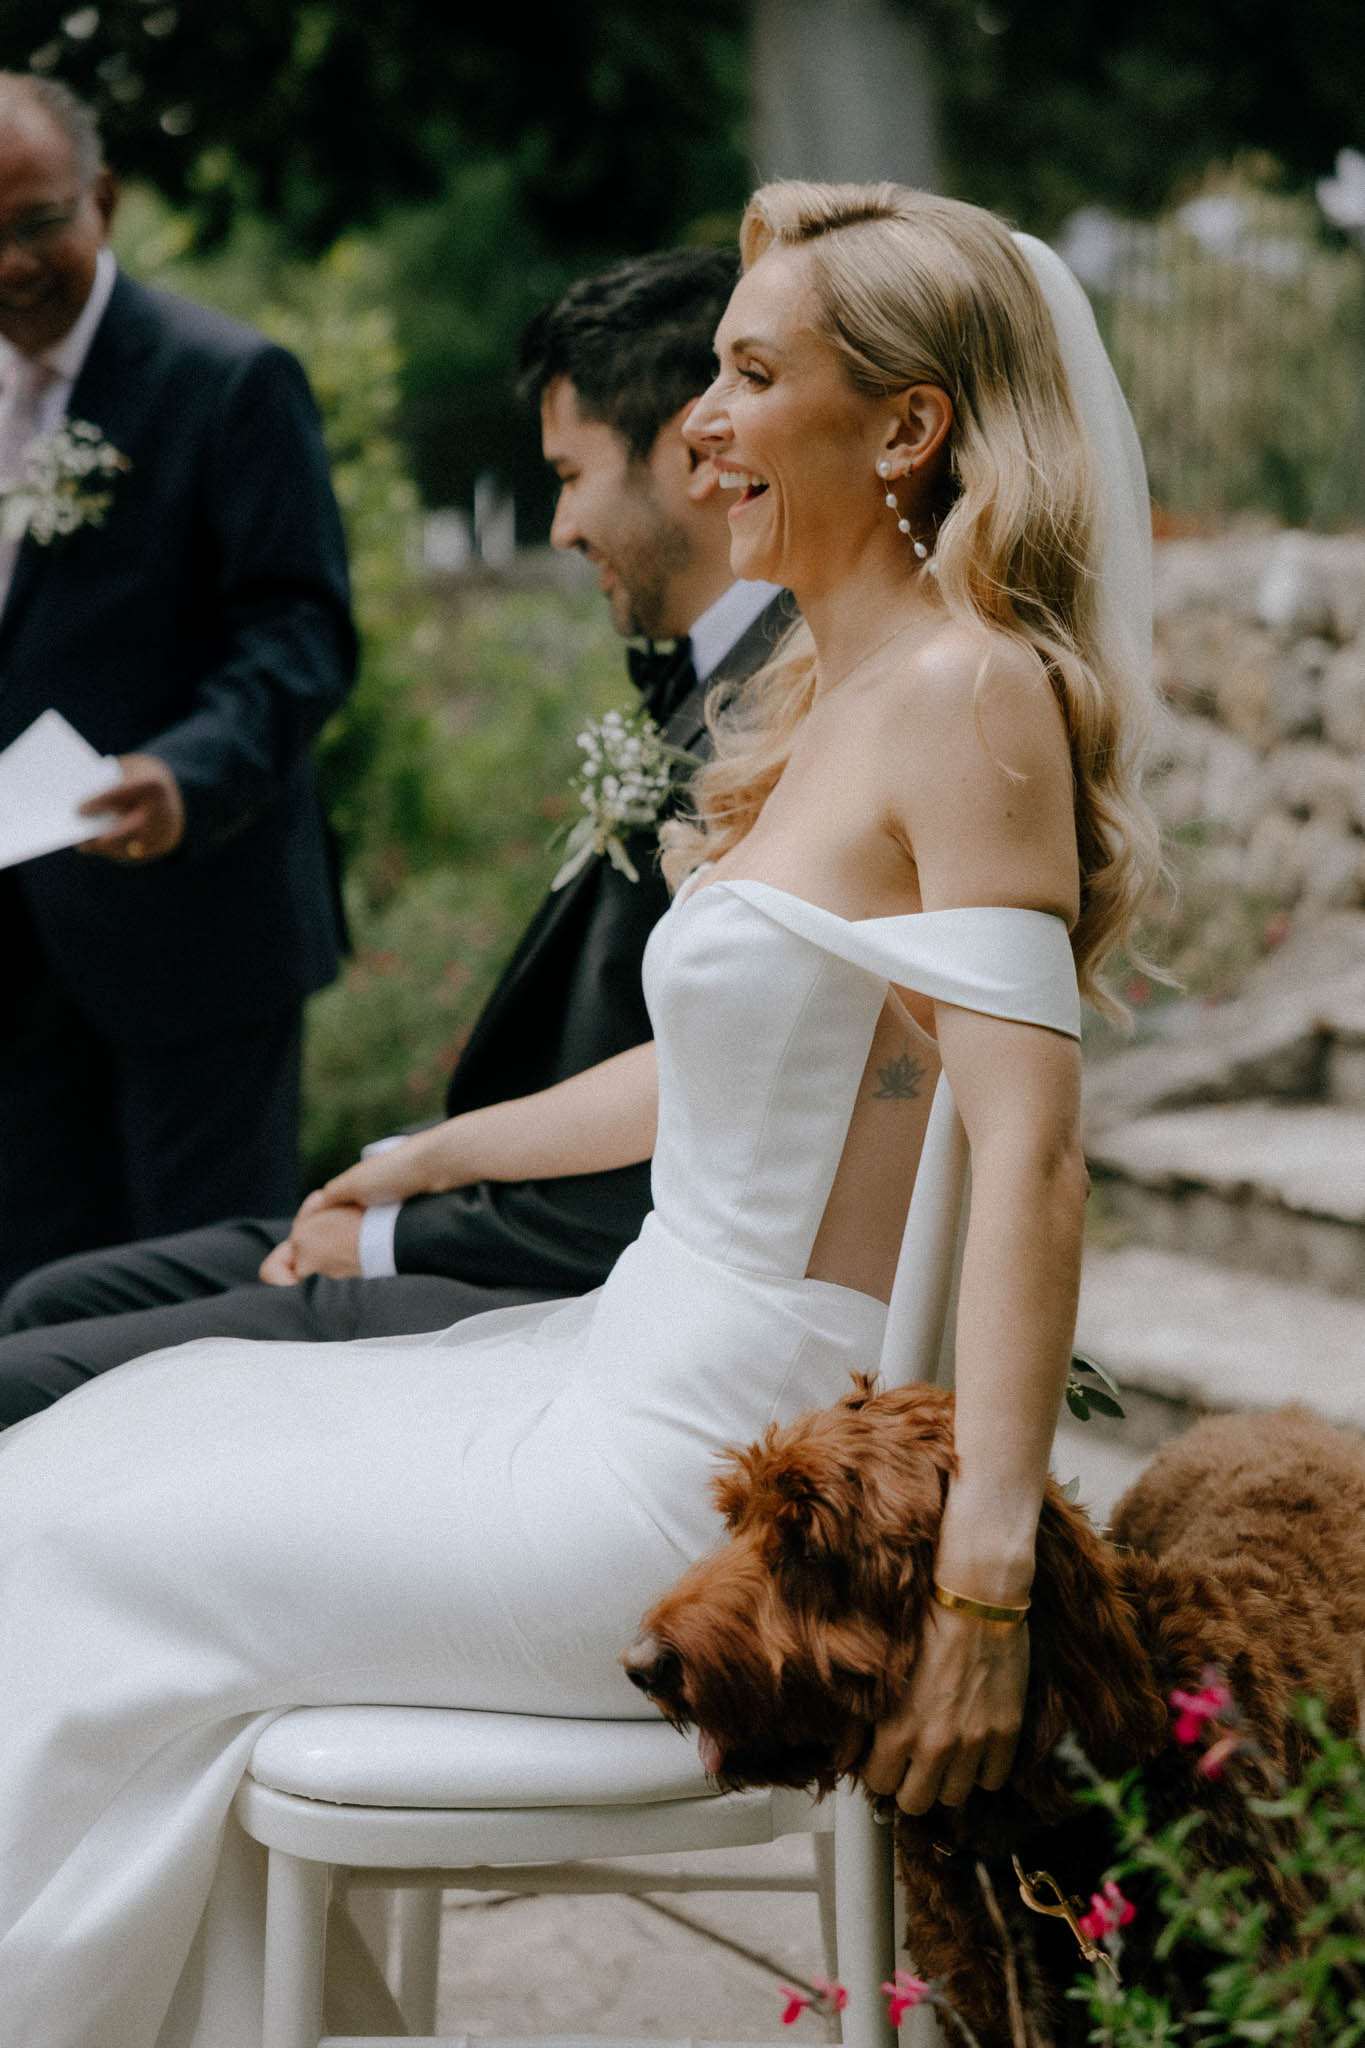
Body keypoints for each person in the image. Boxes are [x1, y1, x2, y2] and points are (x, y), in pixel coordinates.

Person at [0, 181, 1160, 2047]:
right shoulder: (847, 679)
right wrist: (435, 1149)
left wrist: (990, 1579)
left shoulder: (967, 691)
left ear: (909, 427)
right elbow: (724, 1058)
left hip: (682, 1488)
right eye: (710, 371)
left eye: (751, 372)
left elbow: (1030, 1141)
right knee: (93, 1451)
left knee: (53, 1535)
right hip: (624, 1366)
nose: (701, 421)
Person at [0, 243, 786, 1418]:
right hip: (476, 1187)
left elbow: (693, 1097)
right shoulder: (706, 680)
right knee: (39, 1298)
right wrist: (403, 1175)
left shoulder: (778, 718)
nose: (561, 526)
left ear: (692, 450)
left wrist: (390, 1220)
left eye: (569, 475)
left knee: (38, 1368)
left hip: (570, 1263)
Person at [0, 75, 356, 1293]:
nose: (9, 263)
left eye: (37, 221)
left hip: (195, 939)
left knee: (195, 1307)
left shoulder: (228, 381)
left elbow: (302, 634)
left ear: (100, 199)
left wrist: (183, 773)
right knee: (30, 1308)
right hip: (15, 959)